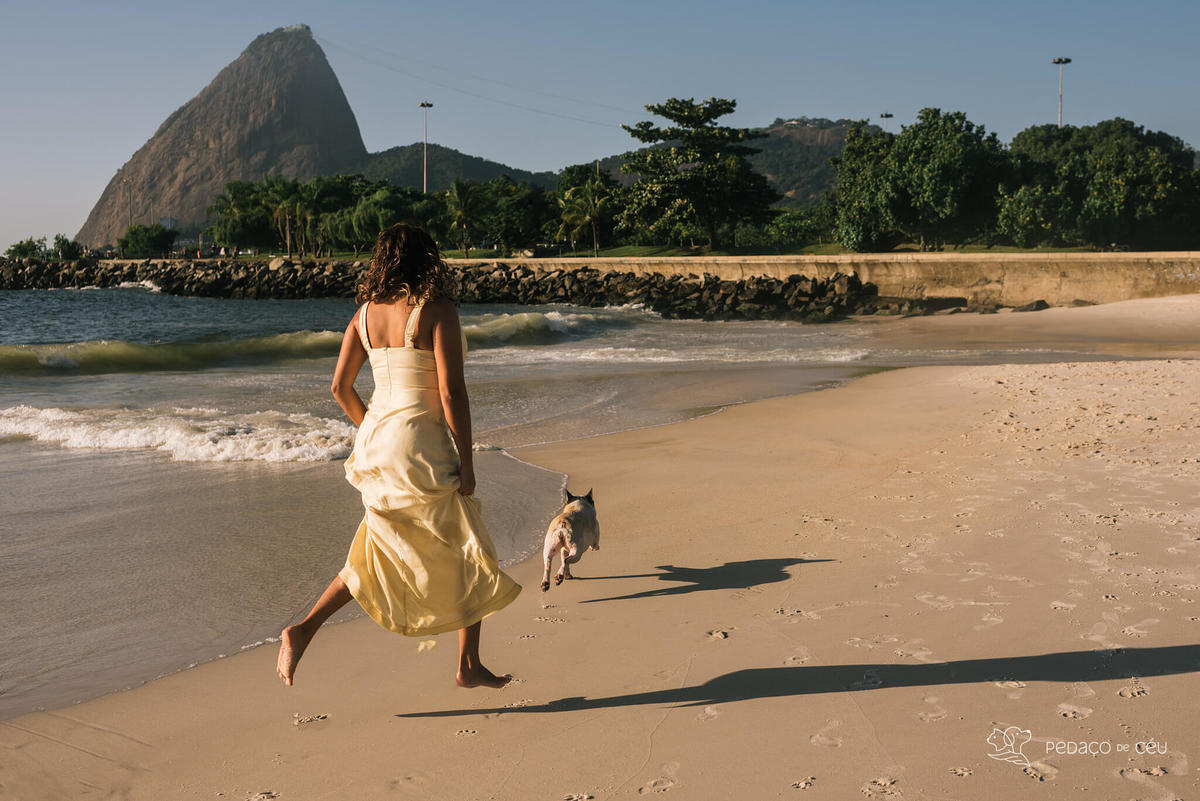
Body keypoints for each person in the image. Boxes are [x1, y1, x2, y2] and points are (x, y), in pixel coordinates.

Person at [276, 223, 521, 689]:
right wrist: (467, 463)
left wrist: (373, 426)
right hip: (420, 445)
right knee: (470, 548)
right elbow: (450, 392)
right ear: (428, 257)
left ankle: (304, 628)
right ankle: (467, 664)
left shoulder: (364, 314)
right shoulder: (439, 310)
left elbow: (339, 388)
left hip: (376, 442)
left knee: (375, 548)